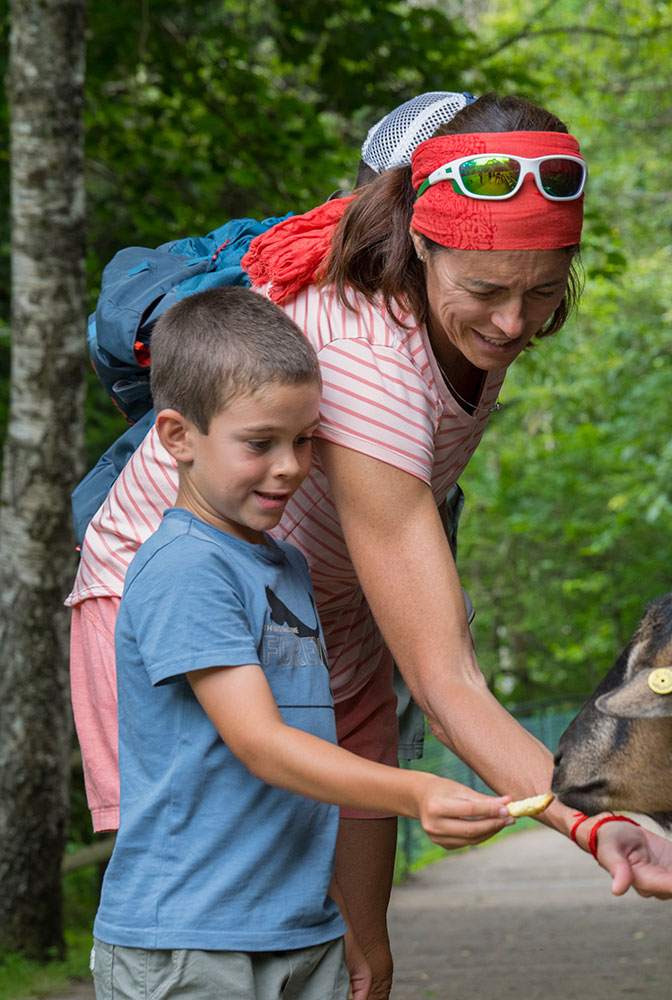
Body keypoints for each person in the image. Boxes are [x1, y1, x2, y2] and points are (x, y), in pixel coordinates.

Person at [69, 92, 672, 1000]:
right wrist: (583, 823)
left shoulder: (460, 316)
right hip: (194, 587)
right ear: (423, 245)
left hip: (317, 602)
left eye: (544, 292)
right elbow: (447, 676)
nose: (513, 325)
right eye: (488, 294)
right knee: (217, 880)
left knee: (348, 944)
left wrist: (372, 931)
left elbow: (377, 714)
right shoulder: (365, 355)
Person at [91, 285, 511, 1000]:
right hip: (190, 944)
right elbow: (262, 744)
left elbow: (295, 775)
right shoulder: (188, 567)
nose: (289, 465)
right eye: (260, 443)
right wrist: (415, 792)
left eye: (305, 439)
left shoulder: (284, 567)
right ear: (177, 437)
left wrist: (332, 912)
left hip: (295, 930)